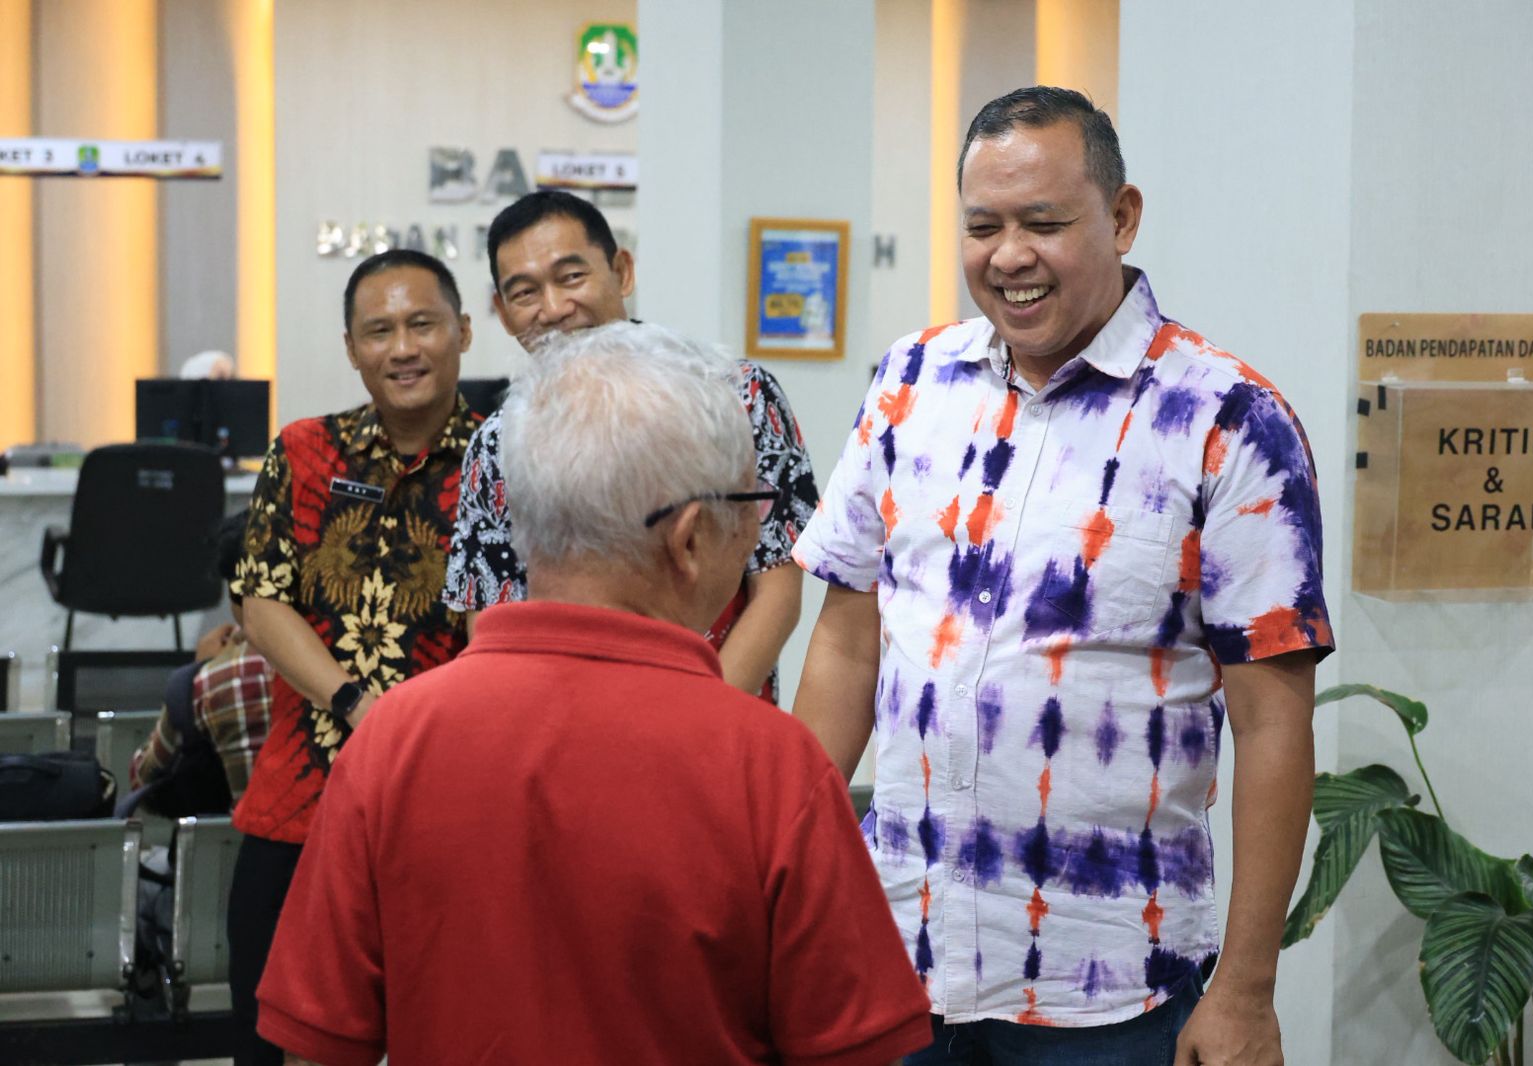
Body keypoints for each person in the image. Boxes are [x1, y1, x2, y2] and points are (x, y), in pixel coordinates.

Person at [791, 87, 1335, 1066]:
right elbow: (845, 639)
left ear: (1120, 217)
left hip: (1109, 995)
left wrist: (1246, 991)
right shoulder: (908, 383)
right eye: (983, 226)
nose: (1008, 255)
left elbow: (1271, 720)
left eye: (1043, 223)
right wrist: (784, 874)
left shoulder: (1225, 417)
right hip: (893, 961)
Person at [256, 322, 931, 1066]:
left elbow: (320, 1046)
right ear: (690, 538)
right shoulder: (771, 768)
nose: (757, 537)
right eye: (750, 506)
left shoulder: (393, 742)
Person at [227, 249, 480, 1065]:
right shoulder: (304, 451)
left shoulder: (506, 461)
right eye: (379, 330)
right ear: (351, 348)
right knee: (272, 1036)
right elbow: (262, 600)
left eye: (421, 324)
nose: (402, 347)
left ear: (463, 333)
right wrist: (354, 703)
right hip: (301, 797)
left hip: (449, 806)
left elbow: (516, 627)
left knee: (441, 1035)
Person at [442, 190, 816, 700]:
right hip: (565, 730)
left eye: (572, 277)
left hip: (718, 720)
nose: (553, 309)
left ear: (621, 271)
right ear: (503, 313)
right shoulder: (496, 445)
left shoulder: (737, 396)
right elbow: (494, 620)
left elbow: (776, 589)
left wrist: (694, 719)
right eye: (525, 293)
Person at [128, 510, 273, 813]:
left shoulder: (216, 681)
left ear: (236, 594)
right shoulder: (358, 660)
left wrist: (199, 674)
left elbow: (143, 778)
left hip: (235, 855)